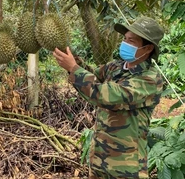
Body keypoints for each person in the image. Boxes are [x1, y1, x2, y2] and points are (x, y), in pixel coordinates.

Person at [53, 16, 164, 179]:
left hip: (126, 168)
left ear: (147, 49)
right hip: (99, 160)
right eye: (125, 39)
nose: (125, 43)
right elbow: (93, 76)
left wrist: (74, 68)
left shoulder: (150, 79)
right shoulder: (116, 66)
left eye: (132, 41)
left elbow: (108, 95)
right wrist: (72, 61)